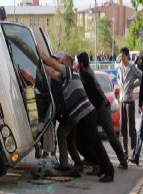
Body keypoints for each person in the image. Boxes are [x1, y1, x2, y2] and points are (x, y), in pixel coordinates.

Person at [37, 46, 114, 182]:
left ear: (67, 63)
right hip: (81, 117)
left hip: (87, 114)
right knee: (84, 144)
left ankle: (108, 171)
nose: (59, 63)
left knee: (95, 143)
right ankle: (99, 166)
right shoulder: (64, 77)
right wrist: (38, 63)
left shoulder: (71, 72)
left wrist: (42, 55)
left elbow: (54, 65)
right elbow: (51, 71)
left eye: (61, 61)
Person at [77, 52, 128, 170]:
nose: (76, 65)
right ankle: (92, 160)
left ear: (81, 64)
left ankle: (122, 160)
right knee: (91, 136)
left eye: (77, 63)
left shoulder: (87, 74)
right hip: (96, 108)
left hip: (102, 107)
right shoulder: (86, 73)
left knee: (111, 135)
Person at [51, 52, 83, 172]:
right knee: (69, 140)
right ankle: (78, 163)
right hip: (72, 112)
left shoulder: (65, 74)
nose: (60, 63)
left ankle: (64, 164)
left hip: (69, 112)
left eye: (61, 62)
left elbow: (60, 97)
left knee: (61, 134)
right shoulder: (68, 74)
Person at [117, 47, 142, 160]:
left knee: (131, 127)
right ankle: (125, 151)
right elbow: (118, 79)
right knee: (123, 128)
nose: (121, 58)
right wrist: (121, 85)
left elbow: (142, 77)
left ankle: (133, 150)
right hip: (122, 100)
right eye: (120, 56)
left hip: (130, 101)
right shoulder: (119, 68)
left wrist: (134, 85)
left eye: (123, 56)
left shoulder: (133, 68)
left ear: (127, 56)